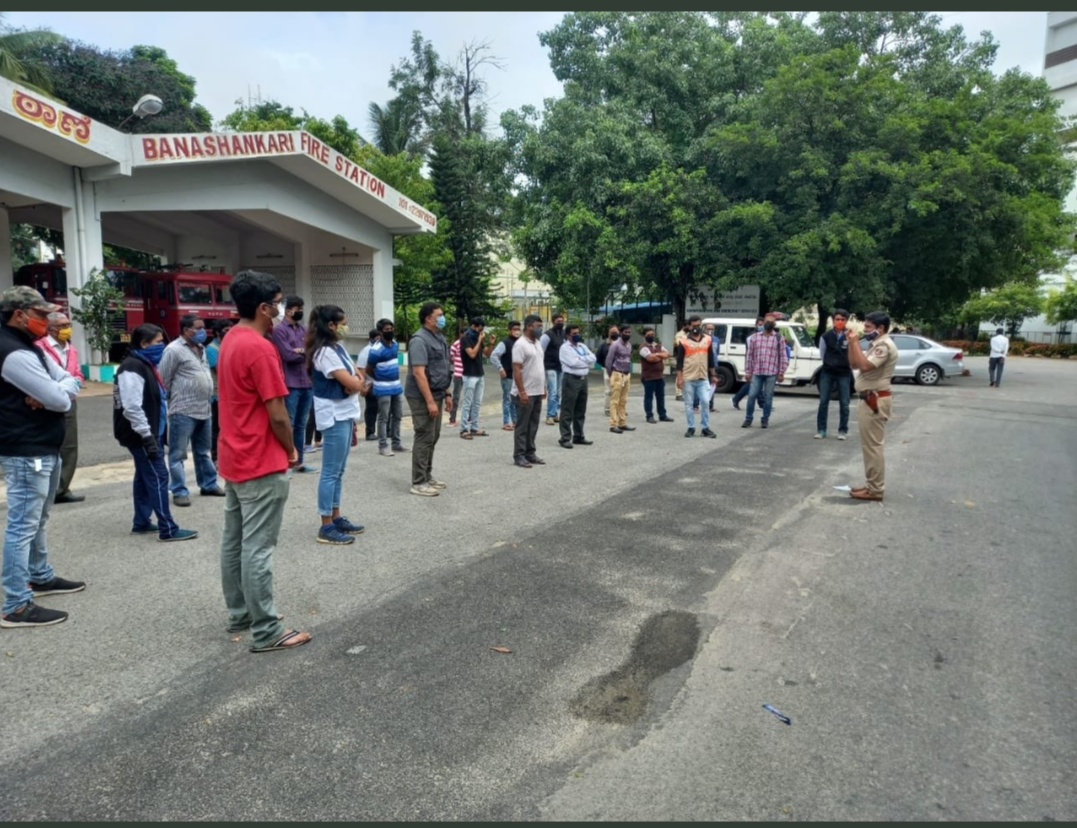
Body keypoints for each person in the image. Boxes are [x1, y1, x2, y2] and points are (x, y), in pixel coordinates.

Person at [216, 270, 311, 652]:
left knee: (234, 540)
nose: (281, 308)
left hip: (235, 455)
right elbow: (278, 412)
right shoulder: (259, 347)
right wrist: (290, 449)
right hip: (260, 457)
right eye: (277, 301)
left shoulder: (231, 339)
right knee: (258, 546)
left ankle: (241, 612)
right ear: (262, 307)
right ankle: (267, 630)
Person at [0, 287, 85, 629]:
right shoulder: (13, 352)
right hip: (26, 450)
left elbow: (70, 380)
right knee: (22, 526)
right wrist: (53, 394)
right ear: (19, 315)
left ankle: (39, 576)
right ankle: (15, 604)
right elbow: (62, 399)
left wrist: (52, 393)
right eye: (41, 314)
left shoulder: (28, 346)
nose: (48, 321)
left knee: (37, 520)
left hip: (40, 446)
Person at [114, 323, 198, 543]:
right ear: (144, 344)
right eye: (158, 342)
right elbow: (131, 407)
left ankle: (141, 522)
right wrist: (148, 436)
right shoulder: (132, 367)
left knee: (144, 476)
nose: (162, 346)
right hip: (142, 434)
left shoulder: (146, 364)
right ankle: (167, 528)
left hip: (152, 432)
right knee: (159, 476)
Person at [306, 305, 366, 545]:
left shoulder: (337, 347)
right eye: (343, 323)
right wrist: (355, 383)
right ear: (330, 325)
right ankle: (326, 525)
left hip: (345, 413)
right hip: (334, 416)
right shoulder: (324, 353)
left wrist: (355, 383)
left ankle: (336, 516)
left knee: (338, 471)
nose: (345, 327)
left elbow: (357, 378)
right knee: (330, 472)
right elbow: (352, 381)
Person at [159, 314, 224, 506]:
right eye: (199, 327)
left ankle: (208, 484)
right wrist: (172, 401)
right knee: (178, 454)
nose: (203, 331)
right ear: (187, 330)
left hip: (204, 408)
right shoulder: (173, 350)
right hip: (183, 410)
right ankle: (179, 490)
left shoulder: (202, 348)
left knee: (203, 451)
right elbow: (164, 380)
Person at [846, 311, 900, 502]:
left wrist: (854, 343)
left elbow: (866, 366)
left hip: (874, 399)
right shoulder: (875, 344)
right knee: (869, 446)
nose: (865, 330)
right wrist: (852, 344)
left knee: (873, 446)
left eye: (868, 327)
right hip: (870, 398)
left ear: (881, 328)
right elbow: (854, 363)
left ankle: (875, 489)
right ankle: (871, 485)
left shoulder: (883, 346)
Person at [35, 311, 85, 503]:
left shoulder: (71, 349)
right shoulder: (39, 347)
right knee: (46, 444)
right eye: (63, 325)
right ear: (51, 329)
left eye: (68, 324)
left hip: (69, 401)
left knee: (69, 445)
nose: (67, 329)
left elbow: (78, 374)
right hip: (46, 403)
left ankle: (62, 489)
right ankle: (43, 489)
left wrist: (72, 387)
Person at [405, 301, 453, 496]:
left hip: (438, 392)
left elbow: (443, 367)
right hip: (422, 395)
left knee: (434, 436)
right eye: (439, 315)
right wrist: (430, 401)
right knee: (424, 435)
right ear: (428, 318)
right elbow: (419, 373)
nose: (442, 318)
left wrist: (447, 393)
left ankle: (427, 475)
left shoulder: (439, 337)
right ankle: (418, 481)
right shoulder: (419, 340)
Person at [271, 295, 317, 473]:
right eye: (297, 309)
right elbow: (288, 356)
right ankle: (285, 462)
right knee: (287, 424)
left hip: (306, 382)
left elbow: (312, 351)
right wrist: (302, 352)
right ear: (288, 310)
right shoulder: (280, 330)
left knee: (301, 424)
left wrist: (301, 351)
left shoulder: (303, 329)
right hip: (290, 383)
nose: (300, 312)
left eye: (301, 309)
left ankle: (299, 462)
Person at [511, 314, 547, 467]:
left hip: (537, 391)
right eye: (538, 326)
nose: (540, 328)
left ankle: (530, 453)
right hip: (525, 393)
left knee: (533, 424)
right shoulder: (520, 345)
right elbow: (517, 370)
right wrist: (522, 392)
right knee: (522, 426)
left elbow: (539, 366)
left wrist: (543, 387)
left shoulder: (537, 343)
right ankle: (519, 455)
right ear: (529, 326)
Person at [368, 317, 407, 457]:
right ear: (380, 332)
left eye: (391, 329)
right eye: (386, 330)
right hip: (383, 387)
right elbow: (368, 369)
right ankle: (383, 445)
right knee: (383, 417)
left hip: (396, 386)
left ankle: (396, 443)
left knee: (398, 415)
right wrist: (379, 377)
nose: (390, 331)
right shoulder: (376, 349)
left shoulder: (395, 344)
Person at [741, 316, 788, 429]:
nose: (769, 324)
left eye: (772, 322)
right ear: (763, 323)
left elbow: (783, 356)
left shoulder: (778, 338)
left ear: (775, 324)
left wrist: (781, 372)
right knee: (752, 395)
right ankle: (748, 418)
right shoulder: (755, 337)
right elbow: (749, 356)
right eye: (767, 322)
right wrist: (748, 372)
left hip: (771, 372)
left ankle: (765, 419)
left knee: (768, 397)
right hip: (757, 372)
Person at [815, 310, 852, 440]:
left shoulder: (850, 336)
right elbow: (822, 354)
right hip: (827, 372)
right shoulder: (825, 336)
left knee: (844, 403)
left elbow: (853, 353)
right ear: (833, 320)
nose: (840, 322)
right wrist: (829, 363)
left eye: (843, 319)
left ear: (846, 321)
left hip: (844, 373)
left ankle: (842, 431)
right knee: (823, 401)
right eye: (837, 319)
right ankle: (821, 430)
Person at [675, 322, 718, 438]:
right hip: (688, 378)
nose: (696, 328)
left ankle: (705, 428)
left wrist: (713, 375)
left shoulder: (707, 340)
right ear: (689, 326)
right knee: (689, 404)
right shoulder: (683, 341)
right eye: (693, 325)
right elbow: (679, 362)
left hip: (703, 377)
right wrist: (679, 379)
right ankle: (691, 427)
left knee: (705, 401)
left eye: (698, 325)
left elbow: (711, 359)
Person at [557, 323, 596, 448]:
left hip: (583, 379)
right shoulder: (565, 348)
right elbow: (572, 363)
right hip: (571, 379)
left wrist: (581, 359)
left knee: (580, 409)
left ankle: (578, 436)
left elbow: (593, 358)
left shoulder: (582, 346)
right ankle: (565, 438)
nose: (577, 335)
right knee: (567, 409)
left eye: (578, 333)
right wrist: (585, 360)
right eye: (574, 334)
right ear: (568, 335)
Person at [459, 316, 495, 439]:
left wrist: (490, 343)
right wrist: (479, 341)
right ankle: (464, 428)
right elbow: (472, 354)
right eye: (480, 328)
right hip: (469, 374)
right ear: (473, 326)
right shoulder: (466, 339)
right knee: (467, 403)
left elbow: (487, 354)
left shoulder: (477, 337)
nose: (481, 331)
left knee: (477, 402)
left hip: (480, 373)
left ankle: (474, 427)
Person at [206, 319, 233, 463]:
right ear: (217, 332)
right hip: (217, 394)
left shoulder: (228, 346)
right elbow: (221, 371)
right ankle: (215, 457)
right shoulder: (212, 349)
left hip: (228, 393)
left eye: (230, 328)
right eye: (225, 329)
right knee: (217, 427)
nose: (229, 332)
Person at [489, 320, 521, 431]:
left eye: (518, 329)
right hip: (507, 375)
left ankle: (516, 421)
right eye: (515, 329)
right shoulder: (505, 342)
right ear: (510, 330)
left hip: (518, 376)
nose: (517, 331)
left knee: (516, 399)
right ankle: (506, 422)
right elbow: (493, 356)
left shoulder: (520, 342)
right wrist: (500, 368)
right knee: (507, 399)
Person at [606, 324, 636, 434]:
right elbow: (609, 362)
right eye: (625, 332)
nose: (627, 334)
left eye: (629, 332)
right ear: (620, 332)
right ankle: (613, 425)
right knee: (614, 401)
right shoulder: (615, 345)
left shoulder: (629, 345)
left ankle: (622, 423)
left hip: (626, 375)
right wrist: (612, 375)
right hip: (617, 373)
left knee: (623, 401)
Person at [731, 316, 766, 411]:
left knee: (755, 383)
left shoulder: (765, 335)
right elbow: (750, 352)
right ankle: (736, 399)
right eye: (760, 325)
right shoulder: (752, 336)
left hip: (761, 363)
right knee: (753, 383)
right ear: (756, 325)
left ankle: (762, 403)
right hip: (753, 363)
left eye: (763, 325)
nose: (761, 326)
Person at [640, 327, 673, 424]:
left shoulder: (658, 345)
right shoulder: (643, 347)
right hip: (648, 376)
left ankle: (662, 415)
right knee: (649, 397)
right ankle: (649, 416)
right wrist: (660, 356)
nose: (651, 336)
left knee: (661, 396)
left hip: (659, 376)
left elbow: (667, 354)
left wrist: (657, 354)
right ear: (644, 336)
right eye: (649, 335)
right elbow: (650, 358)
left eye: (652, 334)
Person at [540, 312, 567, 425]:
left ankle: (555, 413)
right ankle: (550, 416)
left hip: (560, 367)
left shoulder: (564, 334)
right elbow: (541, 351)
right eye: (558, 321)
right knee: (553, 391)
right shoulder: (547, 335)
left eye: (562, 321)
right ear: (553, 322)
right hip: (550, 366)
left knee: (558, 392)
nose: (560, 323)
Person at [357, 329, 379, 442]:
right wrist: (364, 386)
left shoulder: (382, 349)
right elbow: (361, 369)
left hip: (382, 384)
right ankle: (370, 432)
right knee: (372, 408)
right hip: (371, 385)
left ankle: (387, 431)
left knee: (385, 408)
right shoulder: (366, 351)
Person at [595, 324, 620, 417]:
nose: (614, 334)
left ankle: (619, 409)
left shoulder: (622, 344)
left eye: (616, 332)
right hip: (608, 370)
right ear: (609, 333)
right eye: (612, 333)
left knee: (620, 390)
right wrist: (605, 366)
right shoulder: (604, 345)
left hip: (620, 370)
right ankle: (608, 409)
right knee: (609, 391)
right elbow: (598, 358)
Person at [447, 327, 464, 427]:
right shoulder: (456, 344)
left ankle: (470, 417)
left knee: (468, 397)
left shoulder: (470, 343)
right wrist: (455, 363)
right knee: (456, 397)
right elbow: (450, 357)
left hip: (468, 374)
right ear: (461, 334)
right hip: (458, 374)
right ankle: (452, 419)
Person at [704, 322, 722, 413]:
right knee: (701, 385)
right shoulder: (702, 339)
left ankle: (710, 405)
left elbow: (717, 351)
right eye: (708, 329)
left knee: (712, 385)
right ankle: (696, 405)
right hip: (703, 365)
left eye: (712, 329)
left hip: (714, 365)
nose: (710, 331)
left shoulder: (716, 340)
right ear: (705, 329)